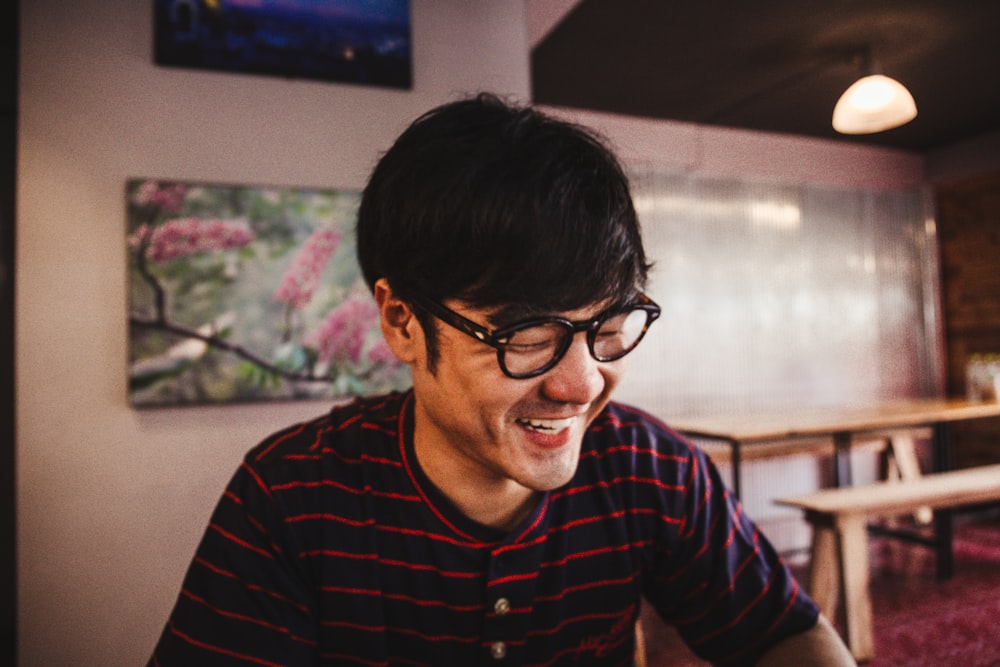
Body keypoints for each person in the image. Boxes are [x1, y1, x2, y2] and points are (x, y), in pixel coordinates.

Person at [148, 93, 854, 666]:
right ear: (400, 321)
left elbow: (779, 634)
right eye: (528, 335)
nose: (582, 383)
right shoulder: (293, 498)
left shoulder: (645, 467)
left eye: (608, 326)